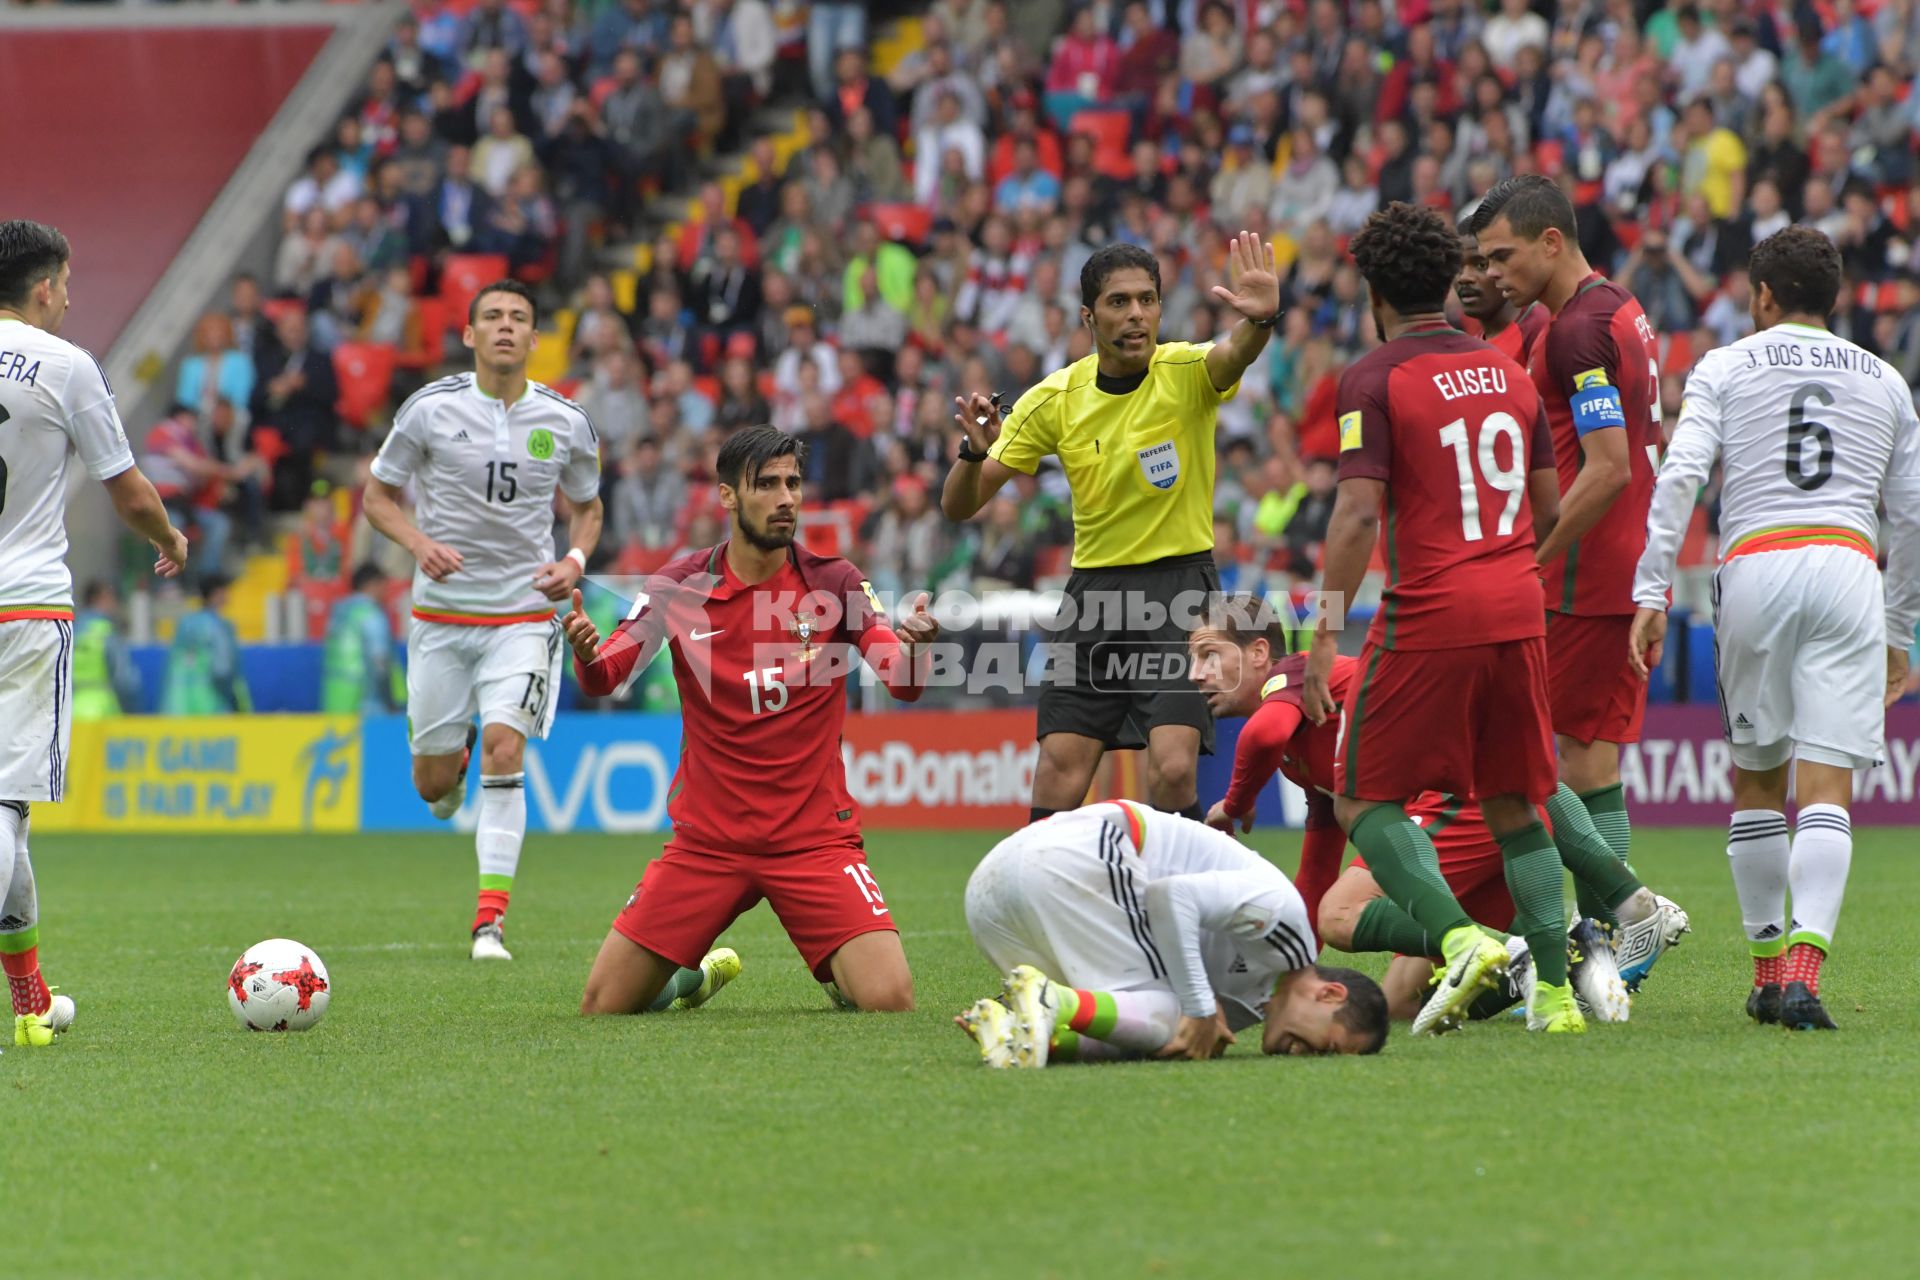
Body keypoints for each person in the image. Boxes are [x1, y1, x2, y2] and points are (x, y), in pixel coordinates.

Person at [1303, 201, 1584, 1035]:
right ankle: (1558, 998)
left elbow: (1357, 515)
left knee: (1361, 798)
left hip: (1431, 611)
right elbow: (1548, 509)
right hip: (1516, 605)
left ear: (1374, 291)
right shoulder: (1511, 372)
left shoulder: (1374, 377)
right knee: (1514, 802)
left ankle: (1461, 938)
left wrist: (1322, 634)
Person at [1629, 228, 1920, 1031]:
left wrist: (1652, 589)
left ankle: (1763, 975)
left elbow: (1681, 472)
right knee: (1829, 790)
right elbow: (1916, 517)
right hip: (1849, 566)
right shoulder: (1886, 381)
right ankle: (1802, 976)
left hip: (1756, 564)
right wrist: (1900, 628)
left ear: (1761, 296)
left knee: (1758, 779)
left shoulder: (1725, 365)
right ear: (1835, 299)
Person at [566, 425, 939, 1016]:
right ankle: (686, 981)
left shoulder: (835, 581)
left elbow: (901, 678)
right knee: (602, 1006)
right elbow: (608, 672)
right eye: (766, 484)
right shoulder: (680, 583)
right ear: (728, 496)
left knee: (890, 1000)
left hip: (812, 841)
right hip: (707, 844)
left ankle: (839, 969)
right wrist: (587, 656)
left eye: (792, 483)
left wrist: (915, 647)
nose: (785, 497)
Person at [942, 234, 1280, 826]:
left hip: (1181, 593)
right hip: (1093, 598)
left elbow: (1234, 353)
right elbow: (957, 507)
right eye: (1119, 302)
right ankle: (1041, 909)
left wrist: (1260, 320)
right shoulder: (1056, 398)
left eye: (1147, 300)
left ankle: (1191, 906)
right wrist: (971, 456)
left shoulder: (1185, 372)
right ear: (1088, 315)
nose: (1136, 316)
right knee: (1058, 768)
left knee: (1173, 768)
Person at [1189, 592, 1634, 1024]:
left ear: (1259, 652)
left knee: (1340, 914)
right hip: (1472, 813)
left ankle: (1539, 944)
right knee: (1401, 999)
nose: (1195, 673)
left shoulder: (1293, 675)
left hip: (1463, 797)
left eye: (1208, 655)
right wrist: (1287, 974)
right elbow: (1315, 873)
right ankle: (1556, 956)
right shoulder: (1299, 752)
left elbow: (1261, 737)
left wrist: (1235, 803)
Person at [1470, 175, 1688, 989]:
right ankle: (1611, 952)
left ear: (1551, 241)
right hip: (1620, 567)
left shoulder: (1578, 333)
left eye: (1504, 255)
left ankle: (1619, 930)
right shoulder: (1616, 308)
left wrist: (1536, 557)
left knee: (1542, 765)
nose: (1494, 273)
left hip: (1586, 576)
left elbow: (1604, 471)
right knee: (1586, 766)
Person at [364, 279, 604, 962]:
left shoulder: (565, 420)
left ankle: (489, 923)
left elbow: (588, 505)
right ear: (468, 335)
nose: (505, 327)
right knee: (433, 786)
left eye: (519, 318)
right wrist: (418, 544)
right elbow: (376, 497)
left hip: (525, 614)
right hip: (441, 617)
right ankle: (450, 755)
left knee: (507, 745)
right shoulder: (429, 410)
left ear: (534, 339)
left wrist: (578, 558)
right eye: (492, 317)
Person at [0, 221, 188, 1046]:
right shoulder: (65, 366)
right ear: (44, 288)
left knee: (8, 819)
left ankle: (31, 1000)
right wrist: (170, 541)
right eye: (67, 285)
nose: (71, 299)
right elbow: (128, 488)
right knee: (4, 804)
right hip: (24, 609)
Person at [956, 802, 1390, 1066]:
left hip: (990, 904)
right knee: (1178, 1012)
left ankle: (1020, 1029)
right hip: (1076, 855)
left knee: (1153, 1029)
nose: (1309, 1056)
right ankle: (1051, 998)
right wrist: (1199, 1008)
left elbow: (1150, 1030)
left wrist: (1194, 1020)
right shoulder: (1287, 923)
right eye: (1327, 1048)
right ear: (1329, 994)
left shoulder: (1247, 1010)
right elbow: (1172, 896)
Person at [1455, 214, 1547, 364]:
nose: (1464, 277)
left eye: (1481, 265)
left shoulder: (1541, 329)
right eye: (1457, 267)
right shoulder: (1472, 350)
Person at [161, 576, 250, 715]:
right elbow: (223, 670)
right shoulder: (219, 627)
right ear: (216, 594)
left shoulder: (185, 624)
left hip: (180, 707)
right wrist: (235, 703)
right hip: (213, 707)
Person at [321, 563, 398, 715]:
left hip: (334, 700)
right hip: (367, 704)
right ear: (372, 584)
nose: (386, 591)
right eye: (384, 585)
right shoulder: (372, 614)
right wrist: (389, 700)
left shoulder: (338, 613)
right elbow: (379, 659)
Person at [72, 580, 140, 721]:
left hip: (72, 709)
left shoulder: (73, 630)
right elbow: (124, 680)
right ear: (100, 598)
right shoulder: (107, 631)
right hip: (103, 710)